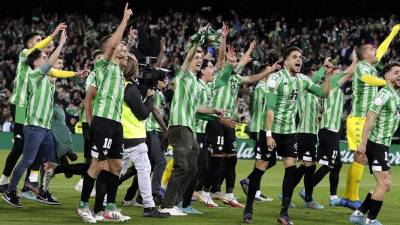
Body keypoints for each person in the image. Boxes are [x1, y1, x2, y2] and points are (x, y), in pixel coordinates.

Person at [245, 46, 332, 225]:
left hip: (289, 132)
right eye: (294, 57)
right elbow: (270, 109)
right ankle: (248, 209)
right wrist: (269, 135)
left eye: (300, 57)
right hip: (270, 130)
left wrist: (328, 75)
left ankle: (284, 214)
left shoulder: (302, 80)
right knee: (259, 170)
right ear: (286, 62)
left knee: (291, 171)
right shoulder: (275, 79)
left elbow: (324, 92)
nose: (299, 59)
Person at [76, 3, 132, 223]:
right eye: (122, 47)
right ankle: (82, 206)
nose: (125, 51)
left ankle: (108, 208)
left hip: (116, 124)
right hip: (103, 122)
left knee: (117, 165)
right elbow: (88, 100)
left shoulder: (119, 73)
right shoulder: (104, 66)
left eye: (126, 49)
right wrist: (125, 21)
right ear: (111, 49)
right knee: (98, 164)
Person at [2, 30, 70, 208]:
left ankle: (31, 183)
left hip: (32, 110)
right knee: (20, 147)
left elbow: (51, 66)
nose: (42, 42)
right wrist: (54, 35)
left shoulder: (43, 70)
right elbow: (44, 59)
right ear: (29, 44)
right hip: (20, 107)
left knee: (39, 151)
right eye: (38, 40)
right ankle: (6, 183)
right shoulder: (25, 54)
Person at [343, 24, 400, 209]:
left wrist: (393, 32)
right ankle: (351, 198)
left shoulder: (371, 66)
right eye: (371, 49)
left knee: (361, 159)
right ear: (363, 55)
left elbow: (382, 49)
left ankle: (349, 197)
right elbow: (368, 80)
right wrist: (387, 82)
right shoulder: (361, 67)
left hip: (366, 118)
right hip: (360, 118)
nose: (375, 50)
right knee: (361, 158)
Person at [350, 62, 400, 225]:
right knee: (384, 183)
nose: (399, 75)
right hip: (376, 144)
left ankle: (359, 213)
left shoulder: (395, 95)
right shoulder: (383, 94)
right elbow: (370, 120)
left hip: (383, 145)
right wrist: (363, 143)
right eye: (396, 72)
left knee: (385, 185)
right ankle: (370, 220)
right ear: (386, 76)